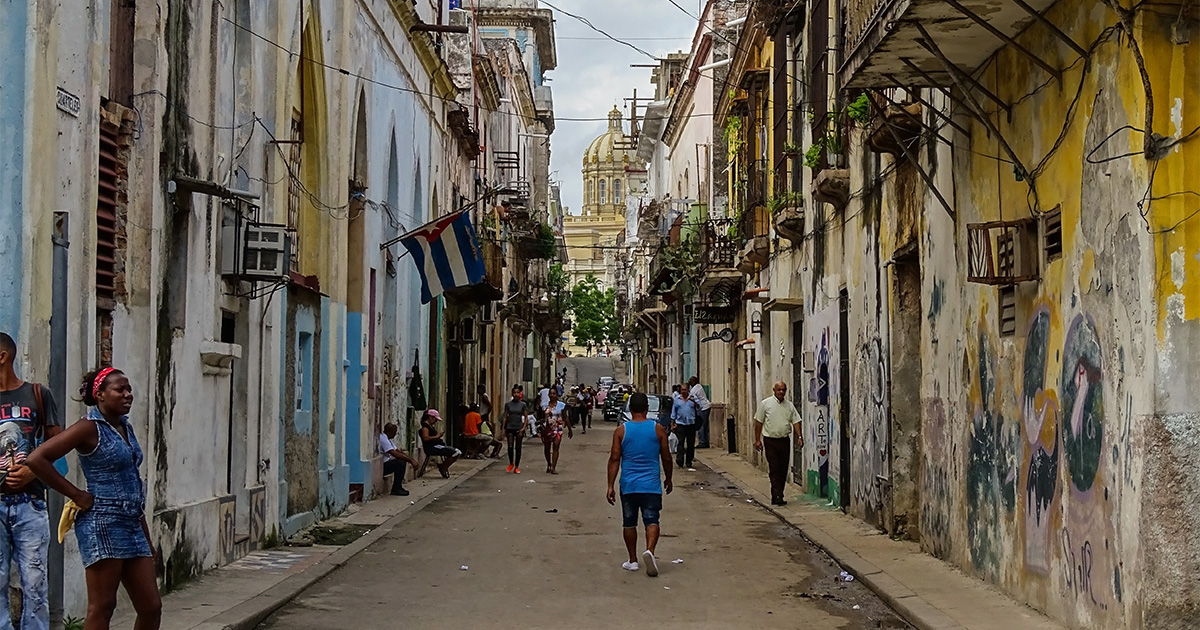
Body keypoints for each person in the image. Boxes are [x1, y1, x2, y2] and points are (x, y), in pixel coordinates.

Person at [27, 367, 160, 630]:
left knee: (151, 606)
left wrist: (145, 536)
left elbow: (131, 483)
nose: (127, 395)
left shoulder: (124, 427)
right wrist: (76, 494)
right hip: (103, 522)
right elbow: (36, 459)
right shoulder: (88, 427)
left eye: (129, 389)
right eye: (119, 390)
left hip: (132, 522)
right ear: (99, 394)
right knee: (103, 606)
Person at [0, 332, 63, 630]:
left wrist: (32, 470)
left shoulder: (37, 394)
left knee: (35, 584)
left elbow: (59, 447)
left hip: (31, 506)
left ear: (3, 357)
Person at [606, 393, 672, 577]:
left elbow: (614, 459)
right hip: (651, 484)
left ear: (631, 409)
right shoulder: (658, 429)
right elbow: (666, 457)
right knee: (652, 519)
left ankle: (633, 560)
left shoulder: (621, 431)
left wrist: (610, 485)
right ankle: (650, 550)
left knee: (629, 522)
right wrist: (669, 478)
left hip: (629, 485)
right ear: (645, 409)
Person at [753, 381, 804, 506]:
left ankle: (779, 492)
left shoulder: (789, 406)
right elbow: (758, 422)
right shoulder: (765, 404)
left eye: (783, 390)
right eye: (779, 390)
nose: (781, 392)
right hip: (770, 440)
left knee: (783, 468)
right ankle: (776, 495)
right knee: (774, 467)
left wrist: (800, 436)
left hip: (784, 440)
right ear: (774, 390)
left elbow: (796, 421)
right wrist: (757, 440)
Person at [379, 423, 420, 496]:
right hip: (381, 466)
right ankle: (396, 488)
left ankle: (398, 487)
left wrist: (412, 460)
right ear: (390, 432)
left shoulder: (388, 439)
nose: (395, 434)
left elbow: (398, 451)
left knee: (401, 461)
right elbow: (394, 453)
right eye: (394, 432)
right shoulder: (383, 438)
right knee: (400, 463)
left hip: (387, 462)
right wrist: (411, 461)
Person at [419, 410, 461, 479]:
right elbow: (425, 438)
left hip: (437, 446)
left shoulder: (430, 426)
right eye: (435, 419)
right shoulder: (425, 427)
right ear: (430, 417)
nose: (436, 422)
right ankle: (443, 467)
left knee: (457, 452)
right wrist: (437, 436)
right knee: (456, 452)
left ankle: (443, 466)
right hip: (432, 447)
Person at [539, 389, 570, 474]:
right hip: (547, 429)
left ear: (557, 395)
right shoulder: (544, 406)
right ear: (548, 395)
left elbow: (565, 417)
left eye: (554, 394)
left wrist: (569, 429)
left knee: (556, 446)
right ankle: (549, 464)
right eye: (551, 394)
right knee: (547, 448)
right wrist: (540, 429)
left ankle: (553, 467)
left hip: (558, 429)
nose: (552, 395)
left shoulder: (561, 405)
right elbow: (541, 418)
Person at [669, 384, 699, 470]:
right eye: (682, 390)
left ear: (688, 390)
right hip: (680, 424)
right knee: (680, 442)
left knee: (690, 443)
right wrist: (672, 424)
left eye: (685, 390)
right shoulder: (677, 399)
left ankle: (689, 461)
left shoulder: (693, 398)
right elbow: (673, 413)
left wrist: (694, 401)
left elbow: (699, 407)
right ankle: (680, 460)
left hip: (691, 424)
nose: (683, 391)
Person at [502, 386, 528, 473]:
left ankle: (517, 466)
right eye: (514, 393)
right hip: (510, 427)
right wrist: (503, 428)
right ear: (512, 394)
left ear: (520, 394)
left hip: (519, 427)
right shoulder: (508, 405)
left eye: (518, 392)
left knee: (518, 447)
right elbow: (505, 416)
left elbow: (526, 417)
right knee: (510, 446)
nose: (516, 394)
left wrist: (523, 428)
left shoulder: (523, 405)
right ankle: (511, 463)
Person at [688, 376, 712, 449]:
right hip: (706, 406)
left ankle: (702, 442)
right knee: (705, 425)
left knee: (701, 425)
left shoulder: (694, 389)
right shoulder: (699, 387)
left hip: (702, 408)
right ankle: (706, 441)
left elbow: (690, 398)